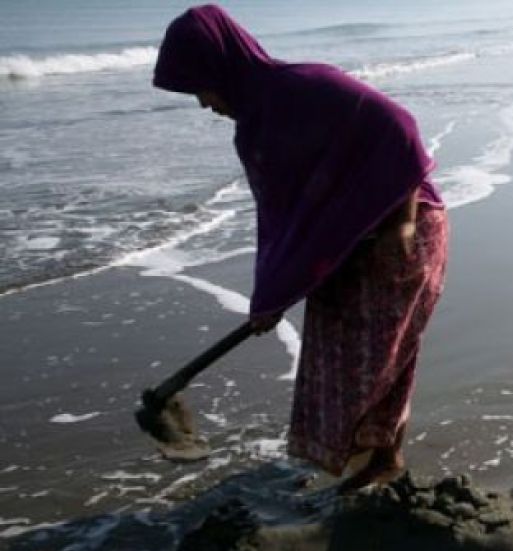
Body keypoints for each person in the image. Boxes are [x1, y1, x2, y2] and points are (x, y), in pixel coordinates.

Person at [152, 5, 448, 492]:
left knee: (378, 361)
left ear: (222, 66)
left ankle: (385, 463)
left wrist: (403, 221)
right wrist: (271, 294)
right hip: (347, 253)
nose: (204, 103)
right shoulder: (253, 133)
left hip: (401, 239)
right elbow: (283, 222)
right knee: (342, 365)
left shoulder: (311, 87)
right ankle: (377, 459)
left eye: (200, 87)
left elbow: (398, 127)